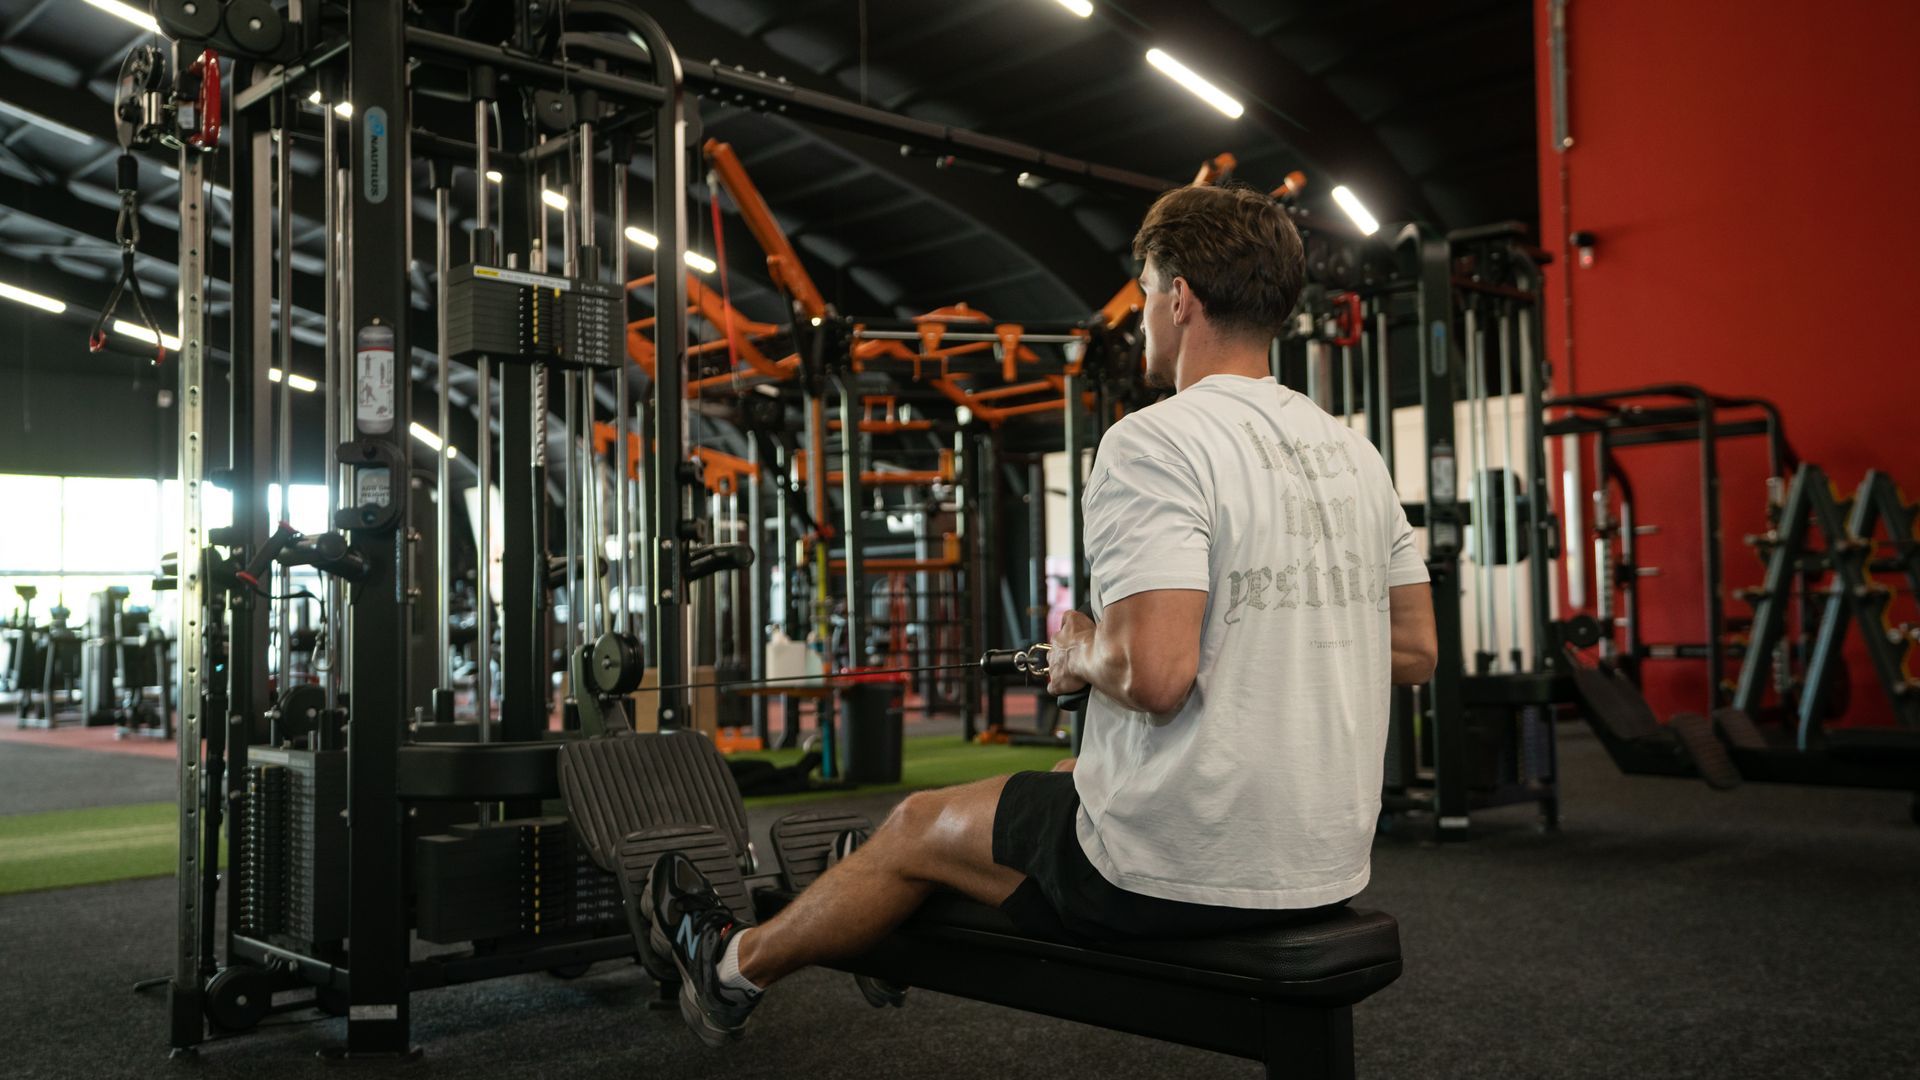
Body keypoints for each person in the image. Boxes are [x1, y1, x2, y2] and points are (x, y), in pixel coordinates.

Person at [641, 182, 1439, 1047]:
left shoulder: (1155, 441)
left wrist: (1081, 650)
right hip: (1327, 860)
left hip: (1179, 873)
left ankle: (730, 967)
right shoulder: (1354, 454)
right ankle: (873, 910)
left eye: (1146, 294)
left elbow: (1153, 675)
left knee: (916, 823)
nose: (1144, 318)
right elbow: (1413, 648)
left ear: (1180, 299)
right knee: (1059, 781)